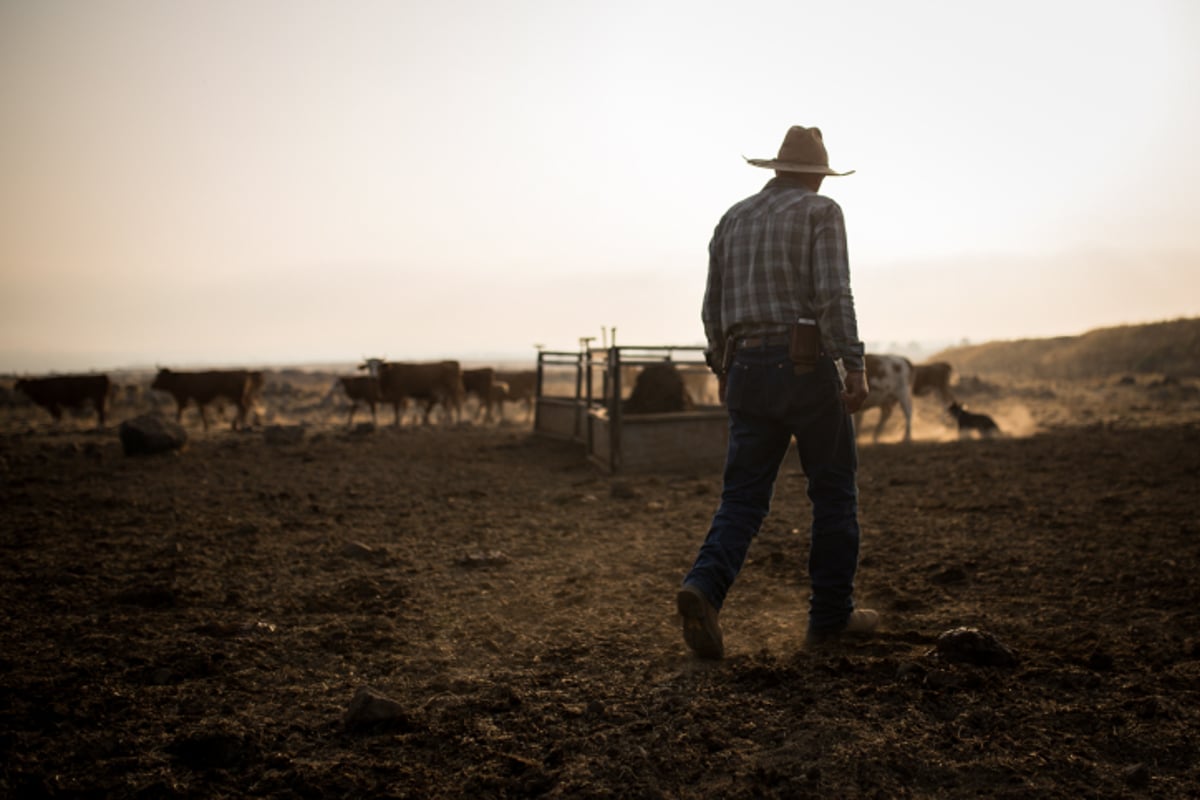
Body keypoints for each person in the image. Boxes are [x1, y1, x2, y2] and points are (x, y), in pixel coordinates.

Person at [677, 125, 877, 659]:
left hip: (745, 367)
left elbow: (711, 306)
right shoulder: (821, 212)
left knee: (742, 497)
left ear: (775, 169)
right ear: (816, 175)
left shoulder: (732, 218)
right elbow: (834, 292)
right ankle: (831, 617)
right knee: (833, 492)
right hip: (806, 367)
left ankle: (704, 587)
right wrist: (853, 365)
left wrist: (724, 367)